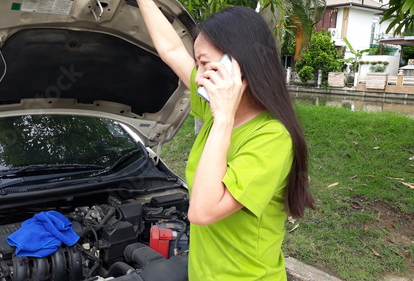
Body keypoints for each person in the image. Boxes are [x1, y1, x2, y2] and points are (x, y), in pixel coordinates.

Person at [135, 2, 315, 280]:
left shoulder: (272, 138)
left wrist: (222, 119)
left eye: (205, 63)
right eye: (197, 64)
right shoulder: (215, 108)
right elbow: (171, 51)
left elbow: (203, 211)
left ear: (237, 64)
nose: (199, 76)